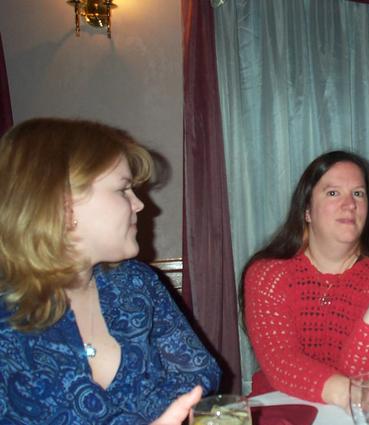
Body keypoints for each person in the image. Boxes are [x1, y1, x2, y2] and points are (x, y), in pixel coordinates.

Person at [0, 118, 221, 424]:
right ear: (63, 205)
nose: (139, 205)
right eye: (123, 190)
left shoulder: (134, 283)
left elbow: (200, 372)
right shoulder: (7, 317)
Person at [242, 150, 369, 410]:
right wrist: (349, 391)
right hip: (283, 406)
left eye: (358, 193)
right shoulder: (268, 274)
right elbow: (281, 361)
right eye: (333, 193)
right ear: (307, 210)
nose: (350, 204)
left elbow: (365, 380)